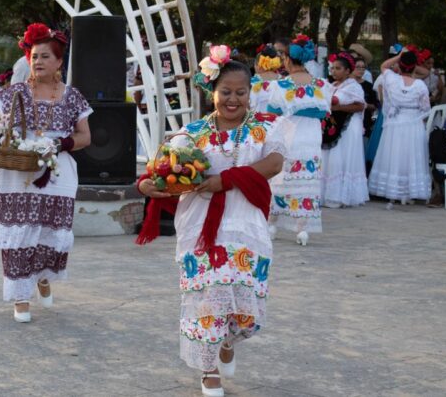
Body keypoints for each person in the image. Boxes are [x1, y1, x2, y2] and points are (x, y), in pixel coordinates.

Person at [138, 45, 286, 397]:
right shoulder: (191, 133)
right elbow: (163, 169)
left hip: (247, 227)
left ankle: (228, 341)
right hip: (200, 228)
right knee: (208, 298)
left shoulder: (266, 127)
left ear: (250, 93)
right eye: (225, 92)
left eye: (240, 92)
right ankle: (208, 369)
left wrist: (227, 179)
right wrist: (146, 183)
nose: (232, 99)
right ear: (211, 93)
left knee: (246, 315)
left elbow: (275, 163)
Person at [0, 23, 92, 323]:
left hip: (57, 171)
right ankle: (20, 297)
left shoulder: (72, 96)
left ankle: (41, 275)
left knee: (49, 232)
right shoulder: (13, 93)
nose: (37, 61)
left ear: (59, 62)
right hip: (17, 172)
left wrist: (60, 143)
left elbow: (85, 137)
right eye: (34, 56)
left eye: (44, 56)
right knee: (17, 234)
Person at [266, 37, 333, 246]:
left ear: (287, 58)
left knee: (280, 181)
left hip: (287, 136)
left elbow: (272, 114)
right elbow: (324, 114)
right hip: (310, 139)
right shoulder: (322, 85)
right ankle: (302, 230)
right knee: (307, 184)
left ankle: (272, 224)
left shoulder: (281, 86)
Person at [368, 52, 431, 207]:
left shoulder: (391, 79)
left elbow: (384, 65)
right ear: (415, 66)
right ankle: (408, 193)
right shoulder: (420, 85)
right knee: (411, 157)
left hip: (395, 123)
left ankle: (393, 194)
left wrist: (399, 55)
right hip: (413, 124)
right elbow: (425, 109)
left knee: (395, 156)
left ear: (399, 65)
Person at [320, 52, 369, 207]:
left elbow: (360, 105)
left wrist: (338, 107)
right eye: (333, 68)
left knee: (343, 158)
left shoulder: (353, 86)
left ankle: (343, 196)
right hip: (334, 125)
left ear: (348, 71)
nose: (334, 71)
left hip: (348, 127)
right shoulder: (332, 85)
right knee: (332, 158)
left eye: (338, 68)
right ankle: (329, 194)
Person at [250, 44, 281, 112]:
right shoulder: (283, 80)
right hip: (279, 120)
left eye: (255, 64)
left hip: (258, 120)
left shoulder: (251, 82)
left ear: (259, 64)